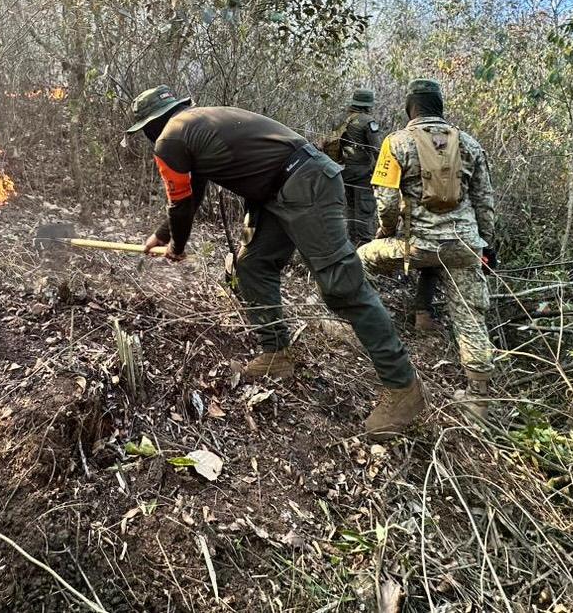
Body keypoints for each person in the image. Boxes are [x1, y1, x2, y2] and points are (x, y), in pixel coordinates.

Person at [125, 85, 426, 440]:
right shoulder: (194, 126)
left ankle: (403, 387)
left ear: (151, 125)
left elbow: (179, 204)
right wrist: (164, 236)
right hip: (283, 188)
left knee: (341, 286)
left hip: (304, 184)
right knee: (252, 265)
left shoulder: (170, 139)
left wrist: (176, 244)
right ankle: (277, 354)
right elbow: (193, 193)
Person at [356, 79, 498, 421]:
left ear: (410, 108)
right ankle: (478, 398)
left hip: (416, 246)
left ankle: (359, 330)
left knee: (359, 261)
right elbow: (485, 202)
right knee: (470, 316)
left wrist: (385, 233)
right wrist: (486, 244)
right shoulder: (470, 144)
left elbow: (387, 203)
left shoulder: (396, 142)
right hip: (464, 247)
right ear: (440, 106)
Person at [324, 89, 382, 245]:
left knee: (350, 209)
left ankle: (350, 244)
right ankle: (364, 248)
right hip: (362, 174)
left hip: (342, 172)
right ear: (368, 105)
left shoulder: (341, 119)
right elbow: (377, 150)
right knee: (365, 210)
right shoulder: (368, 122)